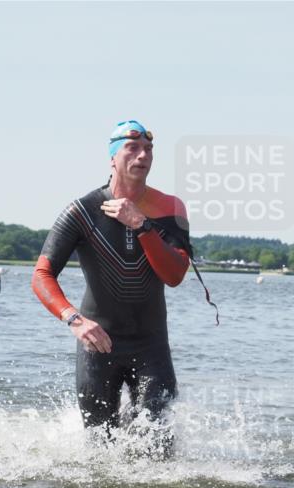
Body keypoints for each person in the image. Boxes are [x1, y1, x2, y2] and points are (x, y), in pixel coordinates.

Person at [31, 119, 191, 444]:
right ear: (113, 157)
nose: (142, 154)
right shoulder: (82, 211)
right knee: (100, 449)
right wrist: (74, 319)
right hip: (97, 344)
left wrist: (142, 225)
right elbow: (41, 275)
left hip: (151, 346)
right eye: (132, 147)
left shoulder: (170, 208)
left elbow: (174, 275)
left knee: (158, 444)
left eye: (148, 149)